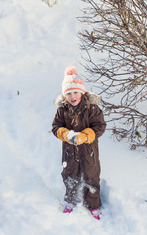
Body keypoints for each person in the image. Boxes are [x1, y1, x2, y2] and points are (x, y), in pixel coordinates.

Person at [52, 66, 106, 220]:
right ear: (64, 95)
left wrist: (86, 135)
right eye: (68, 93)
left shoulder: (92, 108)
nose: (72, 96)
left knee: (92, 176)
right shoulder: (62, 110)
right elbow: (56, 127)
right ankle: (70, 200)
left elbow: (100, 126)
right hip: (70, 151)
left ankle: (93, 204)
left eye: (75, 92)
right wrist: (65, 134)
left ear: (82, 92)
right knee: (70, 175)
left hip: (89, 150)